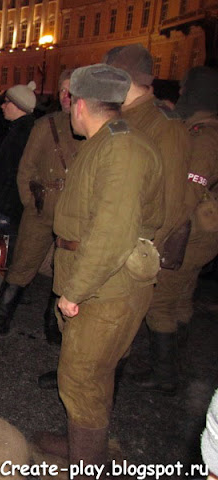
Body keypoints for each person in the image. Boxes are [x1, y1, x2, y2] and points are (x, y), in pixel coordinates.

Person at [34, 64, 164, 474]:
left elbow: (111, 233)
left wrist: (75, 291)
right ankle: (84, 444)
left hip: (107, 285)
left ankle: (86, 465)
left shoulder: (120, 150)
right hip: (100, 280)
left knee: (80, 376)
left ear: (80, 104)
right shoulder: (106, 141)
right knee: (92, 373)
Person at [103, 44, 192, 395]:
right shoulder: (124, 116)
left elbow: (172, 203)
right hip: (111, 239)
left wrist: (142, 255)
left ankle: (101, 409)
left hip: (132, 248)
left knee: (118, 332)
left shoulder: (163, 125)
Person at [0, 70, 82, 344]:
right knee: (20, 266)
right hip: (40, 211)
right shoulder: (45, 125)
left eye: (71, 91)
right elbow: (25, 171)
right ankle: (1, 320)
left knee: (65, 271)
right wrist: (30, 204)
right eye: (62, 90)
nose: (65, 96)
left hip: (76, 215)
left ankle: (53, 325)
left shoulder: (93, 129)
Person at [130, 66, 218, 394]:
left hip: (188, 235)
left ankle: (164, 374)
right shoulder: (205, 129)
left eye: (185, 89)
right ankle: (176, 363)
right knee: (182, 297)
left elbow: (188, 191)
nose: (180, 94)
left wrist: (163, 235)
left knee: (161, 301)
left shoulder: (205, 136)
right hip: (200, 235)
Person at [0, 80, 37, 227]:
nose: (2, 106)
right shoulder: (19, 130)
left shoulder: (20, 135)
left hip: (9, 210)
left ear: (18, 106)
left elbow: (10, 176)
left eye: (7, 102)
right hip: (10, 208)